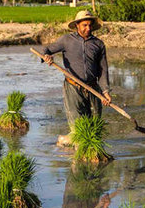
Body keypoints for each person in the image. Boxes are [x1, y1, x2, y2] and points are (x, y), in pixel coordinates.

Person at [37, 9, 112, 145]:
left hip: (92, 88)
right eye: (84, 25)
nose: (88, 28)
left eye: (90, 25)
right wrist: (46, 56)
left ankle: (65, 141)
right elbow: (46, 50)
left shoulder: (98, 44)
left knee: (95, 125)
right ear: (77, 25)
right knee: (78, 127)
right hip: (73, 87)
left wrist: (105, 91)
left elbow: (103, 69)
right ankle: (79, 155)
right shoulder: (67, 40)